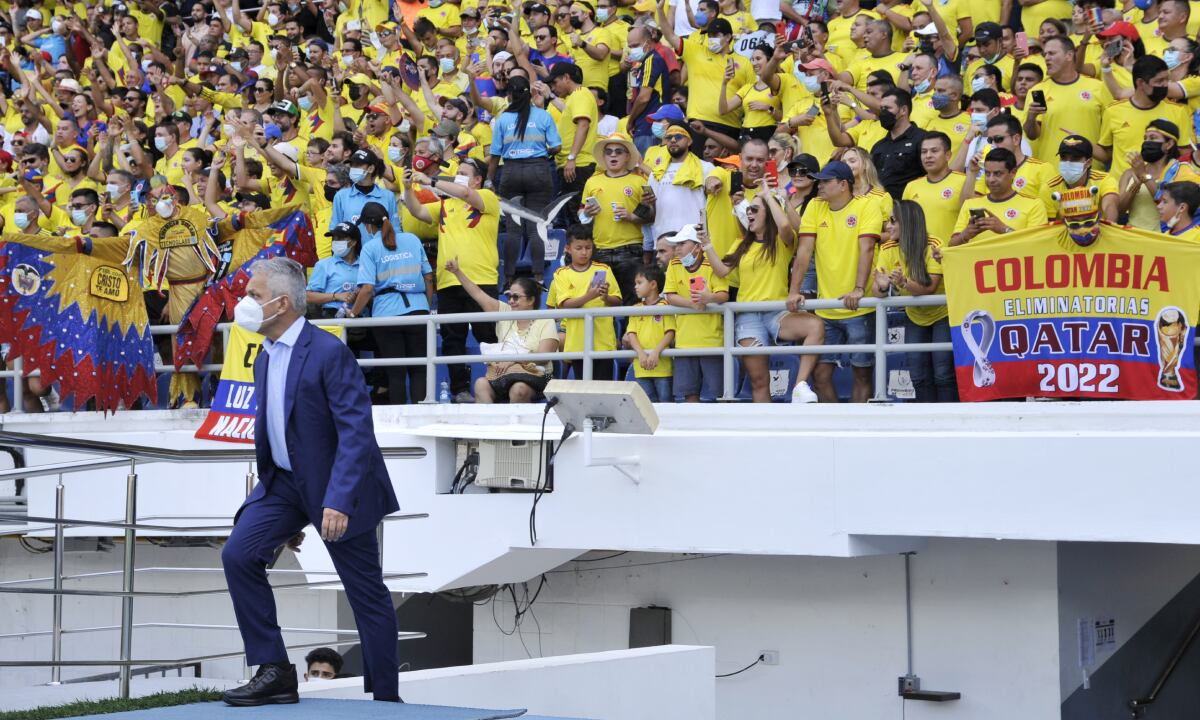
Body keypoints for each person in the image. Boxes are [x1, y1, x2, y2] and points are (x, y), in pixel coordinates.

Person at [221, 257, 400, 706]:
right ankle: (276, 671)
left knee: (366, 594)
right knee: (239, 554)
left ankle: (387, 699)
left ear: (281, 303)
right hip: (284, 485)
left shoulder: (327, 351)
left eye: (254, 295)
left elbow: (357, 432)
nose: (245, 302)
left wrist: (336, 502)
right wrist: (288, 515)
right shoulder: (264, 356)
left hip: (339, 489)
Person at [704, 184, 824, 404]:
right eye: (749, 209)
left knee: (815, 326)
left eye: (755, 209)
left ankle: (800, 385)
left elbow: (786, 225)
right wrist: (707, 245)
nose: (749, 212)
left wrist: (769, 196)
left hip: (777, 313)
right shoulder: (741, 243)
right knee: (759, 381)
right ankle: (766, 431)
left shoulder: (780, 240)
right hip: (748, 315)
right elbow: (721, 270)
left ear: (768, 213)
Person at [402, 158, 501, 403]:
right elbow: (419, 211)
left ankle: (499, 384)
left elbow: (466, 193)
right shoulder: (446, 204)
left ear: (478, 179)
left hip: (481, 279)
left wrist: (432, 181)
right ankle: (460, 390)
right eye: (456, 173)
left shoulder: (487, 197)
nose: (458, 177)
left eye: (464, 173)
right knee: (452, 340)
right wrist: (406, 189)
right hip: (447, 282)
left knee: (489, 337)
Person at [789, 160, 883, 404]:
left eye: (825, 181)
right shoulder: (815, 207)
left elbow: (867, 248)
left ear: (843, 185)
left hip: (859, 307)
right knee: (820, 375)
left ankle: (857, 431)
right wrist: (794, 291)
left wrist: (859, 289)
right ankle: (836, 424)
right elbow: (804, 251)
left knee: (862, 374)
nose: (819, 185)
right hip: (826, 307)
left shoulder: (868, 205)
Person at [348, 202, 435, 405]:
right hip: (418, 309)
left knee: (395, 373)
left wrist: (352, 315)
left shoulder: (370, 248)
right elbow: (428, 277)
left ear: (369, 225)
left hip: (387, 314)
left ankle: (400, 420)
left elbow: (367, 289)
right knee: (419, 369)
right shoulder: (412, 239)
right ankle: (420, 417)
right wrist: (426, 308)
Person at [872, 200, 956, 403]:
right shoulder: (888, 247)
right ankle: (926, 423)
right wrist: (883, 286)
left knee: (943, 374)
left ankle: (949, 422)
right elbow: (878, 289)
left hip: (943, 314)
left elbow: (929, 288)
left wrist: (903, 282)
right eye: (887, 221)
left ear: (908, 222)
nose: (888, 226)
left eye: (893, 221)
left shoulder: (933, 244)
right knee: (917, 374)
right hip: (915, 315)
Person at [444, 258, 559, 403]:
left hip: (535, 377)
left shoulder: (545, 320)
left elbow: (543, 358)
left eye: (516, 297)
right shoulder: (505, 312)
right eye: (509, 296)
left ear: (531, 300)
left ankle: (514, 426)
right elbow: (478, 294)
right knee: (480, 385)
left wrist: (512, 360)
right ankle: (491, 426)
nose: (511, 301)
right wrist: (457, 272)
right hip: (503, 376)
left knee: (518, 389)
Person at [489, 75, 562, 283]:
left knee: (513, 229)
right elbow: (557, 147)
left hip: (511, 173)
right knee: (536, 225)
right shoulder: (543, 116)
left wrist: (489, 181)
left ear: (509, 95)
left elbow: (495, 155)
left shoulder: (502, 119)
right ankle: (538, 277)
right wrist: (541, 152)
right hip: (538, 170)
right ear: (530, 94)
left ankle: (510, 279)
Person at [582, 133, 652, 306]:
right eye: (609, 151)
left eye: (619, 151)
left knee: (633, 302)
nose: (613, 155)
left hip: (630, 249)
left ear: (627, 156)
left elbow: (651, 214)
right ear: (603, 156)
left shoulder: (639, 180)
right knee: (600, 301)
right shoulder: (592, 181)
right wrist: (587, 213)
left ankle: (632, 334)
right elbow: (581, 214)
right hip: (601, 250)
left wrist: (630, 216)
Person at [547, 225, 622, 380]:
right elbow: (564, 304)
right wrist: (590, 295)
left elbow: (618, 301)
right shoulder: (561, 273)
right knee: (584, 388)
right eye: (579, 248)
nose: (584, 252)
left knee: (603, 389)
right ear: (568, 248)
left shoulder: (604, 269)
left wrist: (605, 297)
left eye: (588, 248)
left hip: (603, 341)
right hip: (577, 342)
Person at [664, 224, 729, 402]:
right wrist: (692, 304)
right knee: (689, 394)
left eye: (681, 244)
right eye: (676, 245)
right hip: (684, 342)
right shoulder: (674, 264)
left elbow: (724, 295)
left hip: (713, 342)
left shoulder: (712, 265)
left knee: (720, 394)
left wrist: (709, 298)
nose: (676, 249)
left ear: (698, 246)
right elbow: (669, 296)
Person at [952, 149, 1049, 245]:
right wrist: (965, 235)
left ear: (1013, 173)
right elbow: (951, 247)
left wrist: (1004, 230)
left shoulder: (1034, 204)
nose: (991, 179)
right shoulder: (970, 204)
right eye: (987, 173)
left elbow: (1037, 245)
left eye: (997, 174)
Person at [624, 264, 676, 402]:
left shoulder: (666, 307)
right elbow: (631, 334)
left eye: (639, 283)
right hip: (641, 367)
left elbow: (670, 332)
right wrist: (640, 353)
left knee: (666, 405)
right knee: (646, 406)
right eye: (635, 283)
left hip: (663, 367)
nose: (635, 287)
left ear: (653, 284)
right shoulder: (635, 308)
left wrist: (655, 352)